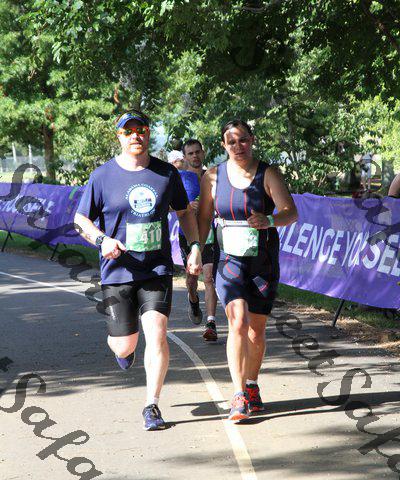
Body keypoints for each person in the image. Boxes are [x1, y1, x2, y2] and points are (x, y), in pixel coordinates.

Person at [74, 109, 202, 431]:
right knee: (124, 345)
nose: (135, 136)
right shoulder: (102, 176)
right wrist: (102, 240)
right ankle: (124, 350)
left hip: (156, 269)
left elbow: (184, 213)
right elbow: (80, 219)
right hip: (117, 271)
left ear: (148, 133)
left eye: (141, 130)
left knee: (157, 332)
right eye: (128, 131)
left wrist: (195, 246)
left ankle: (151, 405)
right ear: (119, 136)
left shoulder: (165, 173)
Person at [198, 119, 298, 420]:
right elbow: (203, 218)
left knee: (256, 330)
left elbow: (290, 212)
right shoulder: (212, 176)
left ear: (251, 140)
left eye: (242, 140)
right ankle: (238, 393)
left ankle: (252, 384)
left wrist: (270, 220)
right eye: (231, 142)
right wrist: (199, 252)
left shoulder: (268, 173)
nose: (238, 146)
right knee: (238, 321)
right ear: (223, 145)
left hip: (262, 262)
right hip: (228, 260)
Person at [180, 139, 218, 341]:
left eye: (197, 152)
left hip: (210, 233)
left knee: (209, 277)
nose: (195, 156)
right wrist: (187, 206)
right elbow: (168, 206)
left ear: (203, 153)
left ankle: (211, 323)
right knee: (192, 279)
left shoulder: (211, 176)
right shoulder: (179, 178)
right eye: (190, 153)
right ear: (185, 157)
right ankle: (193, 300)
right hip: (187, 234)